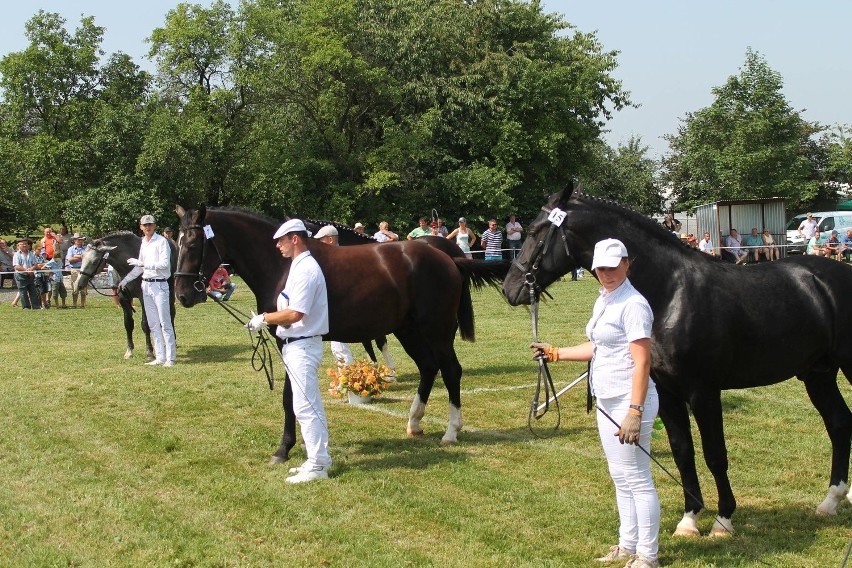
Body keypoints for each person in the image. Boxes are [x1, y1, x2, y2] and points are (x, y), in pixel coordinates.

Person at [532, 239, 659, 568]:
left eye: (613, 266)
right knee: (620, 475)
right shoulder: (606, 299)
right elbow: (598, 347)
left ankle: (648, 555)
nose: (606, 273)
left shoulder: (633, 304)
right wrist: (556, 352)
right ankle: (627, 544)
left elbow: (642, 361)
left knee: (637, 478)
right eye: (600, 268)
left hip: (629, 402)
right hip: (607, 397)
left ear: (627, 264)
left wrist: (635, 410)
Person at [246, 218, 332, 483]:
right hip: (295, 345)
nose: (278, 246)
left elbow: (295, 313)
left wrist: (265, 318)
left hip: (302, 344)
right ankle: (317, 460)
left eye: (281, 240)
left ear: (295, 239)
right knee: (304, 404)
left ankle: (318, 464)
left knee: (306, 406)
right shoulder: (298, 266)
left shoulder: (306, 269)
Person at [120, 214, 177, 367]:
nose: (147, 227)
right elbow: (139, 267)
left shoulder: (162, 241)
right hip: (146, 285)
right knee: (153, 323)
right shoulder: (143, 243)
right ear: (141, 227)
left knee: (165, 323)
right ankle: (159, 356)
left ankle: (170, 358)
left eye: (150, 224)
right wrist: (125, 280)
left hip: (160, 285)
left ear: (155, 226)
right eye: (145, 225)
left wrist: (143, 263)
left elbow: (165, 265)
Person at [314, 225, 354, 367]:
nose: (318, 243)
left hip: (340, 306)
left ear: (330, 239)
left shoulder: (337, 257)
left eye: (321, 240)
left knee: (339, 345)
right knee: (337, 345)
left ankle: (346, 379)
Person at [12, 239, 43, 309]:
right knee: (23, 292)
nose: (24, 245)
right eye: (22, 244)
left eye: (26, 244)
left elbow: (35, 264)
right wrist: (26, 270)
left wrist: (31, 269)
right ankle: (26, 307)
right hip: (21, 276)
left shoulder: (31, 253)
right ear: (18, 246)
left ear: (28, 245)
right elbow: (16, 266)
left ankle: (36, 306)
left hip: (31, 275)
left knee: (33, 291)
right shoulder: (16, 255)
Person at [65, 233, 88, 308]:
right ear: (74, 240)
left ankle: (82, 304)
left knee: (83, 288)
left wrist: (76, 256)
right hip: (74, 269)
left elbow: (87, 258)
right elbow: (70, 260)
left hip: (83, 269)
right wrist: (81, 257)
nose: (80, 241)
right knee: (75, 288)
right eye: (78, 239)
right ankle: (74, 304)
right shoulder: (71, 249)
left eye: (81, 240)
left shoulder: (86, 248)